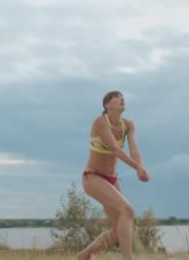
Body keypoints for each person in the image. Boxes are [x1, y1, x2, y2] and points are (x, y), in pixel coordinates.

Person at [77, 91, 150, 260]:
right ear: (107, 105)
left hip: (111, 179)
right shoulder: (100, 122)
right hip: (92, 177)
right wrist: (137, 168)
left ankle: (84, 255)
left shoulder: (128, 125)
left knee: (119, 230)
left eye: (123, 97)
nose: (121, 99)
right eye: (116, 97)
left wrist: (141, 167)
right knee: (128, 210)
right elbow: (116, 150)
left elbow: (133, 149)